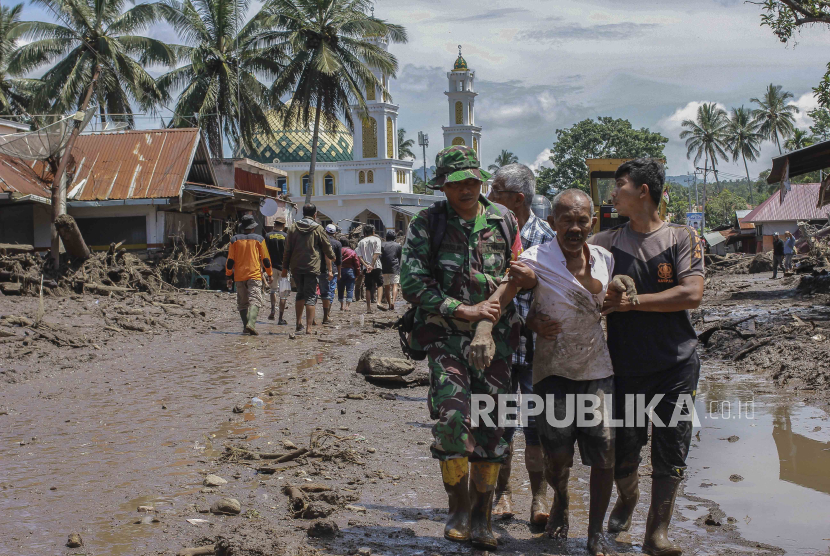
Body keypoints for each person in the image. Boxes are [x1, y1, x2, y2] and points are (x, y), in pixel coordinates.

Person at [400, 145, 524, 550]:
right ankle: (458, 507)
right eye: (457, 183)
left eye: (472, 180)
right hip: (445, 338)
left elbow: (517, 273)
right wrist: (465, 310)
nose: (466, 189)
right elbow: (413, 284)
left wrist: (487, 320)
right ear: (443, 186)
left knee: (493, 429)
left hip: (497, 343)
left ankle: (482, 515)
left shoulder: (504, 220)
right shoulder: (427, 223)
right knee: (453, 421)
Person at [589, 158, 704, 556]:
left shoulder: (681, 237)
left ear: (642, 191)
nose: (612, 194)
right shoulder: (604, 243)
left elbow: (691, 294)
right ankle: (628, 496)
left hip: (676, 363)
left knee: (671, 449)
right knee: (623, 452)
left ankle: (657, 532)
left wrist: (630, 305)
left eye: (619, 185)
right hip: (624, 368)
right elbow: (584, 288)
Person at [518, 189, 617, 556]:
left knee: (604, 450)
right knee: (557, 456)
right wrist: (531, 322)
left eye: (581, 220)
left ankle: (595, 533)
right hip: (552, 371)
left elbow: (608, 303)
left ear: (592, 221)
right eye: (566, 220)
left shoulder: (605, 257)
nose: (574, 227)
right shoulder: (534, 258)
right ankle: (560, 499)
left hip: (596, 368)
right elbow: (513, 304)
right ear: (552, 223)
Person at [487, 163, 555, 526]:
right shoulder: (487, 232)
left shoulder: (546, 237)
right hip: (496, 347)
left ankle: (539, 498)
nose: (489, 196)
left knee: (536, 427)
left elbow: (555, 291)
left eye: (495, 191)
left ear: (516, 199)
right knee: (499, 424)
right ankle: (503, 494)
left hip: (533, 350)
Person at [282, 204, 335, 334]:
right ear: (315, 214)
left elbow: (287, 250)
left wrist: (285, 267)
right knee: (311, 296)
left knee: (300, 293)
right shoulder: (318, 228)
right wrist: (332, 256)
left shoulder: (293, 227)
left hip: (296, 266)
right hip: (312, 266)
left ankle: (298, 323)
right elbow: (326, 246)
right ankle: (309, 328)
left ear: (302, 213)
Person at [225, 214, 273, 335]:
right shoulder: (259, 239)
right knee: (255, 299)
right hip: (254, 275)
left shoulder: (234, 240)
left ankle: (246, 327)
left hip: (239, 276)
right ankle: (251, 324)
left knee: (242, 302)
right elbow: (266, 259)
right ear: (253, 227)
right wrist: (270, 274)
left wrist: (229, 276)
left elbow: (230, 260)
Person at [264, 216, 288, 324]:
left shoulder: (268, 236)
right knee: (283, 294)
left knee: (273, 290)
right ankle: (280, 318)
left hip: (271, 267)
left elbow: (264, 252)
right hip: (284, 268)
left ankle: (273, 309)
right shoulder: (287, 237)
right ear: (283, 225)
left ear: (274, 224)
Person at [356, 225, 383, 313]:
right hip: (376, 266)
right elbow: (376, 253)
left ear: (364, 233)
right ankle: (378, 302)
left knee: (368, 287)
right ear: (373, 232)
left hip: (366, 268)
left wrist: (367, 266)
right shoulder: (377, 239)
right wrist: (371, 265)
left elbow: (359, 257)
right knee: (379, 284)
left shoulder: (361, 242)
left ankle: (368, 308)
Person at [321, 224, 342, 324]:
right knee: (330, 292)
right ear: (334, 233)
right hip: (332, 271)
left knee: (318, 293)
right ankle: (327, 315)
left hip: (319, 270)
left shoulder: (320, 241)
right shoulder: (337, 243)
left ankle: (313, 318)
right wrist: (339, 273)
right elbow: (338, 260)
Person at [380, 230, 403, 309]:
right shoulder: (398, 246)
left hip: (384, 268)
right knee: (395, 285)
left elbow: (380, 257)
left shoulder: (382, 245)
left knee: (387, 287)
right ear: (394, 238)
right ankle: (393, 302)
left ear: (386, 237)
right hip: (395, 267)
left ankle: (389, 304)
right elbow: (400, 258)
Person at [339, 244, 360, 310]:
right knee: (350, 289)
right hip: (350, 271)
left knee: (340, 289)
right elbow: (357, 263)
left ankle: (341, 305)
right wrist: (357, 274)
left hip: (340, 271)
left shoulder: (338, 251)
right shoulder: (352, 252)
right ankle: (347, 306)